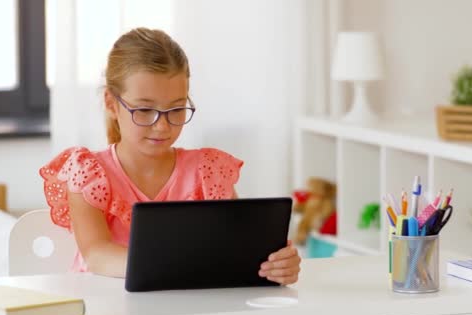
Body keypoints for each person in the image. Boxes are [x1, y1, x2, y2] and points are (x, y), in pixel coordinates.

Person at [39, 28, 300, 284]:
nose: (162, 125)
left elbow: (237, 248)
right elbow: (97, 254)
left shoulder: (207, 172)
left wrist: (274, 264)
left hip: (184, 313)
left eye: (176, 108)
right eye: (144, 109)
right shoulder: (87, 173)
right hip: (106, 311)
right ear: (111, 103)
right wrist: (179, 264)